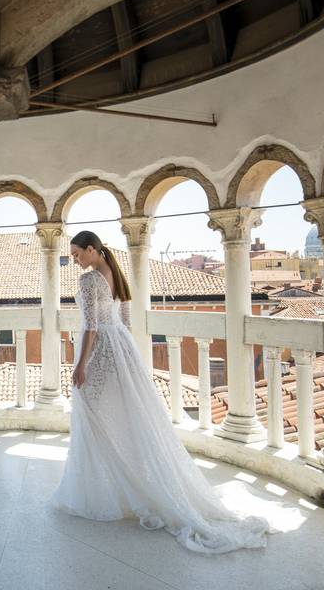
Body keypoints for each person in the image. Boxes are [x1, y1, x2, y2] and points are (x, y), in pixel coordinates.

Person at [51, 230, 270, 554]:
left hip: (99, 353)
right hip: (122, 350)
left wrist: (81, 363)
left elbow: (92, 327)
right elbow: (123, 322)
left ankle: (102, 493)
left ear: (93, 249)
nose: (77, 261)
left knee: (94, 417)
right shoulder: (115, 275)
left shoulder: (89, 280)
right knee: (123, 418)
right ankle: (125, 486)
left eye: (79, 254)